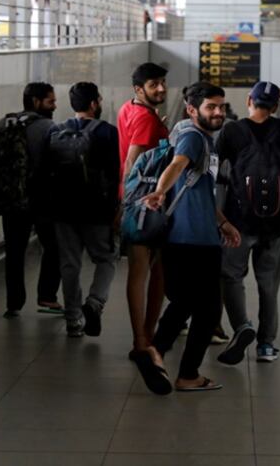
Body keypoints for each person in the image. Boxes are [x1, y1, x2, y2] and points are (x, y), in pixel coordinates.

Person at [143, 82, 240, 392]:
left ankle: (156, 355)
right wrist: (159, 190)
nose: (218, 112)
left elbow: (198, 188)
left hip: (189, 235)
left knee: (185, 302)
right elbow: (177, 165)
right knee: (208, 309)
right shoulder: (193, 139)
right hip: (193, 240)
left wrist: (222, 222)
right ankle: (186, 374)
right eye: (211, 107)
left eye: (221, 107)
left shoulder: (196, 138)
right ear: (192, 110)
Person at [215, 82, 280, 365]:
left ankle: (242, 326)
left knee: (231, 276)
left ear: (249, 100)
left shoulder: (232, 130)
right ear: (274, 104)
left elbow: (217, 170)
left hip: (238, 220)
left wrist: (219, 217)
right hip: (275, 223)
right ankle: (266, 345)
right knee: (268, 284)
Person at [48, 82, 120, 338]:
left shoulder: (56, 131)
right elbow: (115, 174)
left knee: (70, 264)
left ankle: (72, 320)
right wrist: (116, 209)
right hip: (97, 209)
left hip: (63, 209)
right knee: (106, 259)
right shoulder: (108, 133)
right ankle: (94, 303)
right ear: (94, 104)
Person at [0, 82, 63, 318]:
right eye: (50, 101)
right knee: (54, 246)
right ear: (36, 102)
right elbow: (56, 162)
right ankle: (47, 296)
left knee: (14, 251)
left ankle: (14, 303)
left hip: (10, 197)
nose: (54, 106)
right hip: (41, 197)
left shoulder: (5, 123)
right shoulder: (48, 126)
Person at [118, 62, 170, 381]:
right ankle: (144, 338)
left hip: (135, 202)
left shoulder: (128, 110)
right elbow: (131, 160)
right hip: (145, 204)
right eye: (154, 85)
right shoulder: (146, 119)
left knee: (143, 271)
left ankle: (144, 337)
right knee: (151, 272)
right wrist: (129, 204)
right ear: (140, 89)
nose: (161, 89)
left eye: (162, 82)